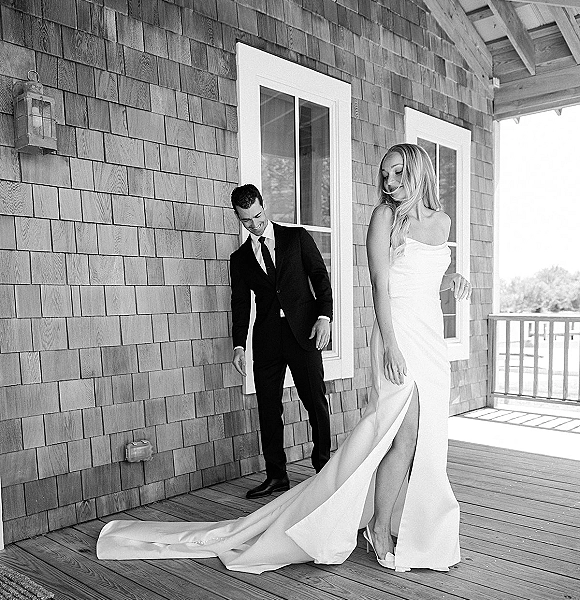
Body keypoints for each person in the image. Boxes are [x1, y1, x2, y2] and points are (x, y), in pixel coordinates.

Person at [97, 144, 471, 574]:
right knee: (398, 435)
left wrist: (453, 280)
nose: (389, 183)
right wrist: (390, 343)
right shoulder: (384, 217)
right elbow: (381, 286)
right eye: (384, 175)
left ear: (419, 170)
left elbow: (422, 281)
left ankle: (395, 521)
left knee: (423, 439)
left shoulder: (440, 222)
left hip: (429, 339)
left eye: (397, 174)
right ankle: (379, 528)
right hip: (396, 334)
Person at [229, 184, 333, 498]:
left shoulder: (297, 238)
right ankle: (277, 475)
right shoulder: (240, 258)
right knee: (268, 408)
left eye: (258, 216)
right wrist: (239, 345)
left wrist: (324, 317)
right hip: (267, 340)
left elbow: (320, 279)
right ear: (238, 217)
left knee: (315, 401)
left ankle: (324, 468)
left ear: (264, 206)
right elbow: (240, 304)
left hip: (305, 333)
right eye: (247, 220)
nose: (255, 224)